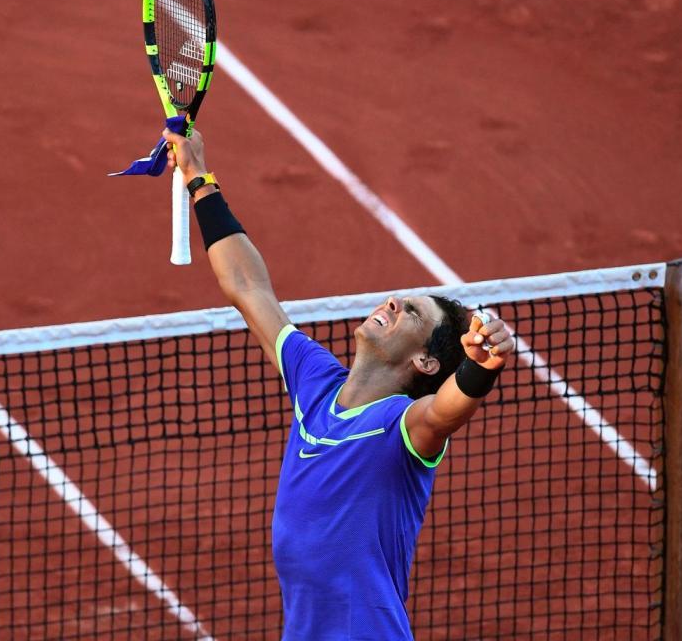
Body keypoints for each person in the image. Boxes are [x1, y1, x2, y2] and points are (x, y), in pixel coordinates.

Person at [162, 126, 516, 641]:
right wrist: (198, 178)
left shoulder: (400, 429)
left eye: (412, 311)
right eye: (399, 298)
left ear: (425, 361)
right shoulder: (315, 382)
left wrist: (480, 367)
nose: (393, 302)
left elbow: (447, 411)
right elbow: (247, 286)